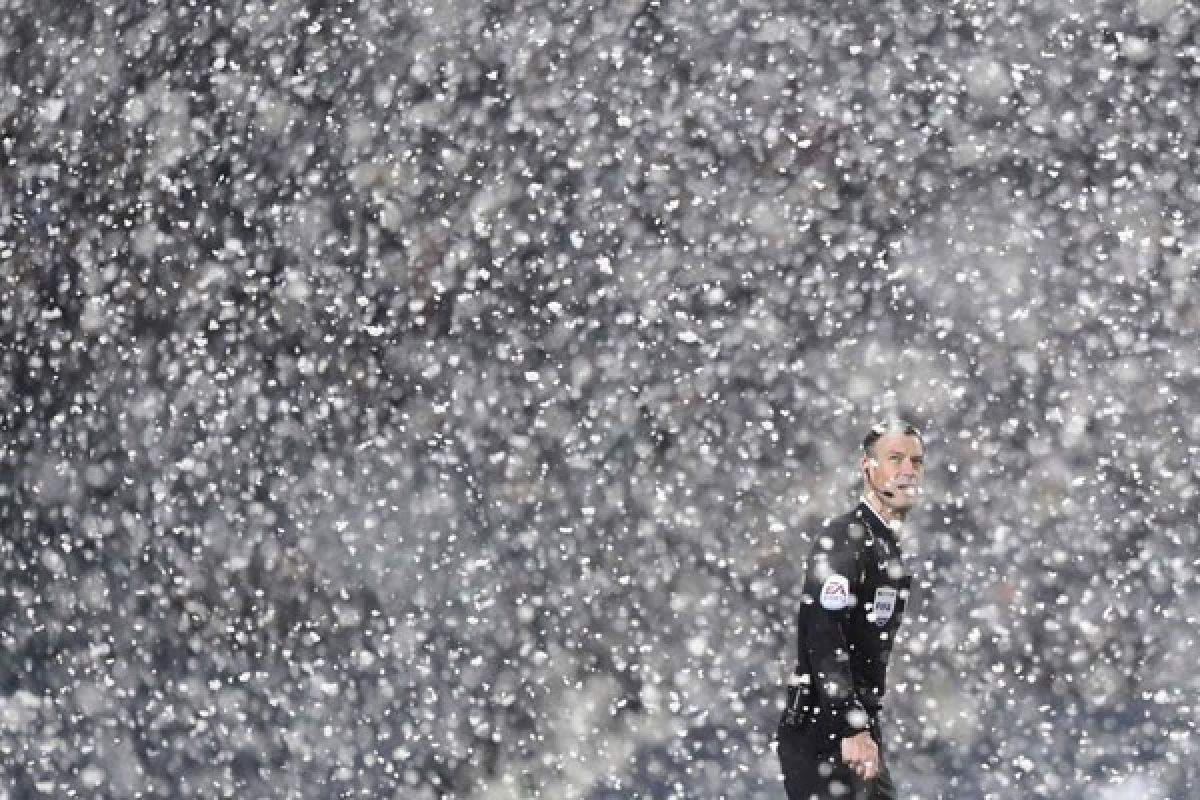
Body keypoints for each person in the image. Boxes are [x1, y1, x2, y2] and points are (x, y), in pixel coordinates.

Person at [776, 420, 926, 799]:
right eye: (895, 459)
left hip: (851, 726)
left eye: (916, 461)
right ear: (867, 466)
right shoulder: (846, 538)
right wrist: (849, 725)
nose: (908, 470)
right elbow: (824, 632)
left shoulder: (885, 544)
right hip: (826, 730)